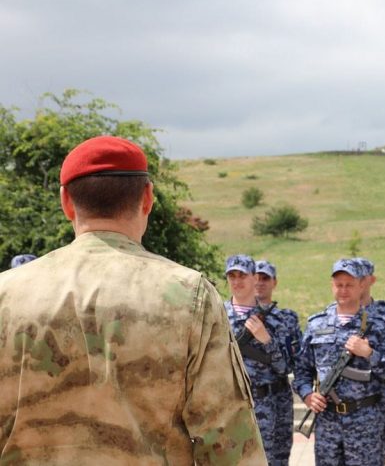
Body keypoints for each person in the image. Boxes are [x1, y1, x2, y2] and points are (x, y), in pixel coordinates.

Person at [0, 136, 265, 464]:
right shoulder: (189, 295)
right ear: (148, 198)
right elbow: (228, 439)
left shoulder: (6, 293)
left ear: (66, 201)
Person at [292, 258, 385, 466]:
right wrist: (307, 395)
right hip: (328, 421)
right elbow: (302, 369)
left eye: (349, 284)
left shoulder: (378, 324)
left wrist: (369, 353)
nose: (343, 290)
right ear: (332, 286)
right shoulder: (317, 324)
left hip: (366, 420)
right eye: (339, 285)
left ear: (361, 286)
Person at [223, 254, 296, 466]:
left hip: (268, 407)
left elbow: (285, 367)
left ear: (255, 278)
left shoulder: (276, 319)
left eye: (242, 276)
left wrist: (267, 341)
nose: (236, 281)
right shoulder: (216, 316)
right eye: (232, 276)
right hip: (229, 406)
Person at [352, 257, 385, 464]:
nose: (357, 283)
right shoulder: (332, 315)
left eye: (361, 278)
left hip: (374, 403)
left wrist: (371, 353)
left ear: (371, 280)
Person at [253, 259, 302, 466]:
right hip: (244, 402)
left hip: (277, 399)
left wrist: (267, 342)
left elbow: (291, 365)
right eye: (255, 278)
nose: (259, 283)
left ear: (275, 282)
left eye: (265, 278)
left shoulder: (287, 319)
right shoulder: (230, 315)